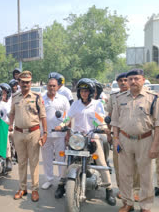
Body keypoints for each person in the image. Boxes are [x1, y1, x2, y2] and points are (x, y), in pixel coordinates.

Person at [54, 78, 116, 206]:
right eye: (82, 90)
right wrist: (61, 125)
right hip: (77, 138)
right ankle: (61, 184)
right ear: (79, 92)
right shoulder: (75, 104)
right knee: (68, 160)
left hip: (91, 137)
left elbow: (99, 119)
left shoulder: (97, 104)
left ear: (91, 92)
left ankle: (109, 189)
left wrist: (103, 127)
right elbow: (67, 118)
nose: (84, 93)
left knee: (101, 162)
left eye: (86, 91)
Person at [111, 68, 159, 212]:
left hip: (145, 140)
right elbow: (115, 122)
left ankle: (145, 206)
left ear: (143, 80)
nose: (133, 81)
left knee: (146, 176)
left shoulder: (153, 98)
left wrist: (155, 146)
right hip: (124, 140)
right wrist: (116, 139)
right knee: (125, 174)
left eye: (136, 78)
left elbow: (157, 124)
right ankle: (127, 203)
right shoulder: (120, 98)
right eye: (130, 79)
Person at [9, 71, 47, 202]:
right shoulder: (15, 97)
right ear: (18, 83)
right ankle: (22, 188)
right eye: (23, 82)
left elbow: (43, 116)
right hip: (18, 133)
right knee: (21, 162)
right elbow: (12, 113)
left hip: (33, 133)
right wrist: (10, 124)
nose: (25, 84)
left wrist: (45, 133)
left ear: (31, 83)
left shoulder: (36, 96)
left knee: (34, 162)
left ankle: (34, 189)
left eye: (28, 82)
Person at [106, 72, 140, 201]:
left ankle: (136, 190)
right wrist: (109, 133)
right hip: (118, 135)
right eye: (120, 80)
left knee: (135, 164)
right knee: (119, 164)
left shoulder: (136, 96)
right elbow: (109, 116)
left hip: (134, 135)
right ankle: (122, 189)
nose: (123, 82)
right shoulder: (113, 97)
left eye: (126, 80)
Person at [41, 77, 70, 190]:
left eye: (54, 85)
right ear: (47, 86)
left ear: (58, 87)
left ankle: (62, 180)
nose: (52, 87)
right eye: (50, 85)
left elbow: (69, 116)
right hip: (45, 134)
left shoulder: (63, 99)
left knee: (61, 159)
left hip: (60, 135)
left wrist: (67, 132)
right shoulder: (42, 99)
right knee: (46, 158)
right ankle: (49, 179)